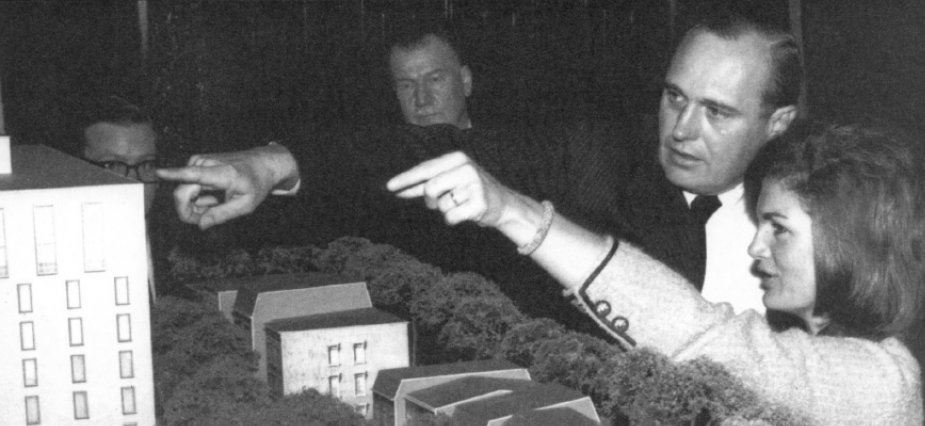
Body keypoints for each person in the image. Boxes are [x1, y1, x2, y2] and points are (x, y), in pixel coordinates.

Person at [385, 121, 925, 426]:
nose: (756, 248)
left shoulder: (880, 378)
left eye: (779, 229)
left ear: (850, 243)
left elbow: (698, 334)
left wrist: (515, 213)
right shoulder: (811, 352)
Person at [157, 25, 632, 330]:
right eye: (406, 85)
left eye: (435, 79)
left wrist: (274, 162)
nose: (421, 98)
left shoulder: (524, 156)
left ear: (465, 81)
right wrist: (273, 167)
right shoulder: (367, 171)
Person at [615, 11, 799, 314]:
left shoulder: (808, 223)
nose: (681, 130)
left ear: (778, 123)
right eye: (675, 97)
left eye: (716, 111)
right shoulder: (602, 188)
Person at [72, 95, 177, 297]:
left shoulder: (184, 250)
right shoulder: (65, 259)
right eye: (113, 165)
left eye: (146, 164)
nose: (133, 182)